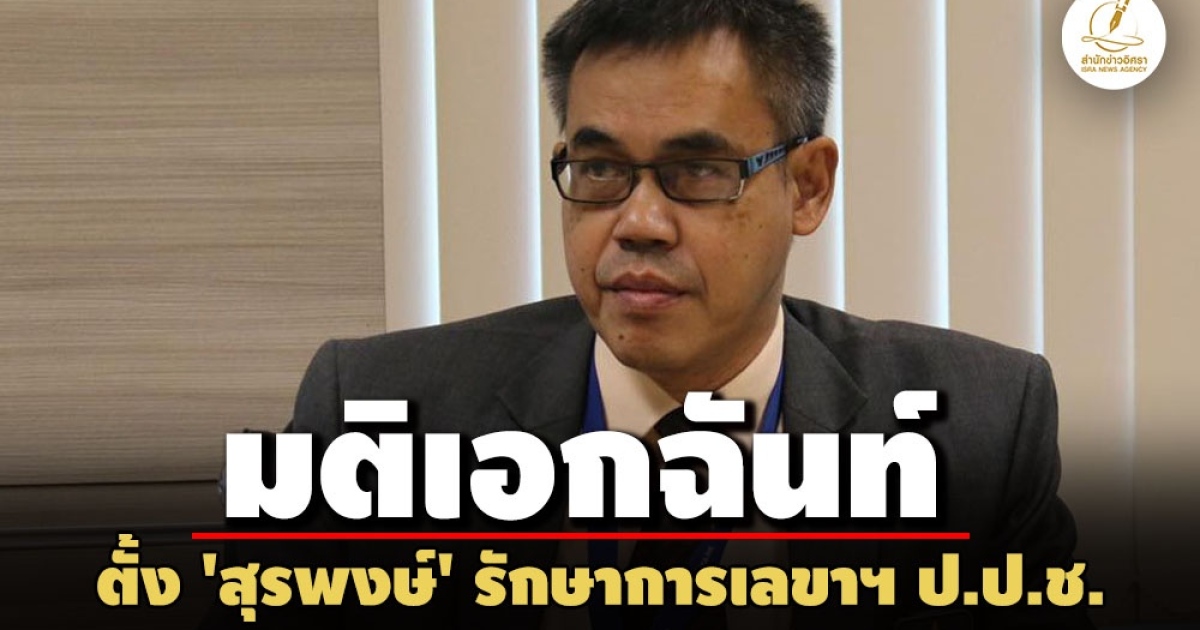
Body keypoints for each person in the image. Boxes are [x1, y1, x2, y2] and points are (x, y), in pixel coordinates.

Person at [205, 1, 1092, 628]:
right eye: (600, 170)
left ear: (807, 186)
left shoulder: (975, 429)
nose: (638, 222)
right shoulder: (375, 417)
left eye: (697, 172)